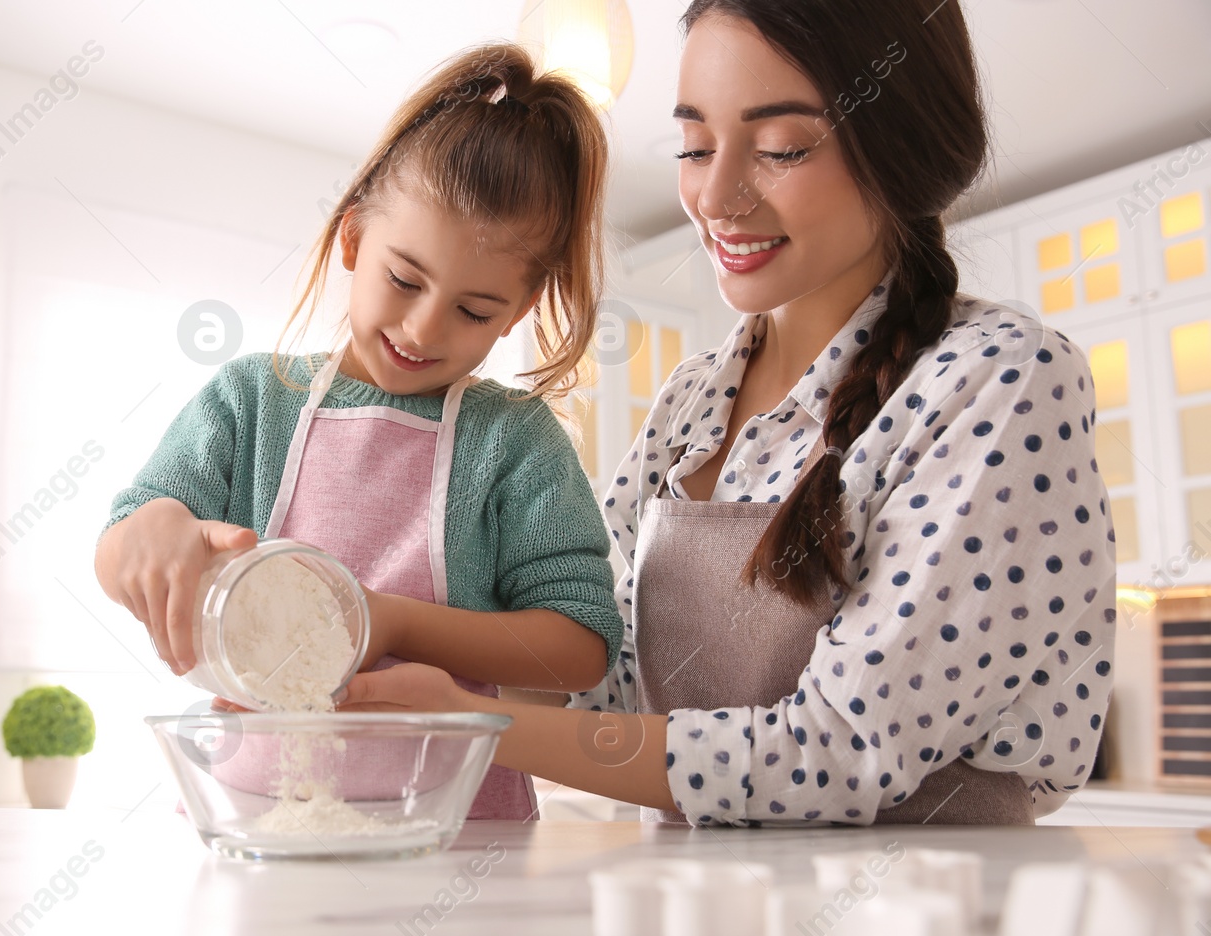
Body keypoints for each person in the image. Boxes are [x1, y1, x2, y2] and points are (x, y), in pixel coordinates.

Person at [340, 0, 1117, 827]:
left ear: (902, 149)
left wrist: (477, 723)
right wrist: (360, 625)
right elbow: (598, 680)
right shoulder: (688, 403)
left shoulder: (999, 380)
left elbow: (841, 751)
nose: (714, 196)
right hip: (693, 926)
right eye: (695, 145)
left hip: (917, 933)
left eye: (781, 149)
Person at [95, 44, 624, 819]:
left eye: (475, 311)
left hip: (463, 837)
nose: (421, 326)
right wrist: (151, 529)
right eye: (404, 279)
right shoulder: (251, 401)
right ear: (351, 240)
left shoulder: (515, 442)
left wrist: (394, 620)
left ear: (517, 312)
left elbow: (579, 644)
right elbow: (123, 545)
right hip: (258, 823)